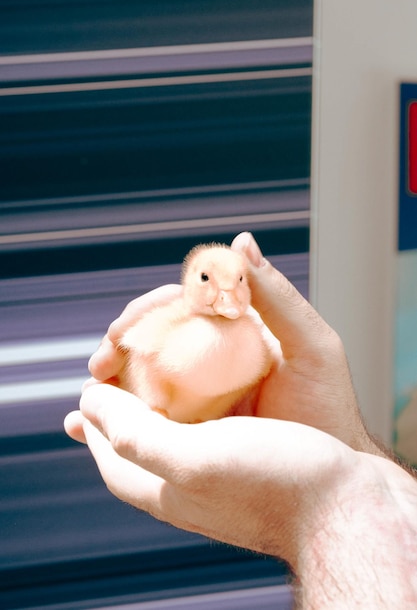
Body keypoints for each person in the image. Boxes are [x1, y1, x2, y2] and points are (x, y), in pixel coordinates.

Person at [65, 232, 417, 609]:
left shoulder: (256, 345)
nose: (226, 297)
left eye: (237, 284)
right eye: (209, 282)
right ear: (193, 280)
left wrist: (329, 498)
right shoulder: (172, 332)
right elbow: (141, 348)